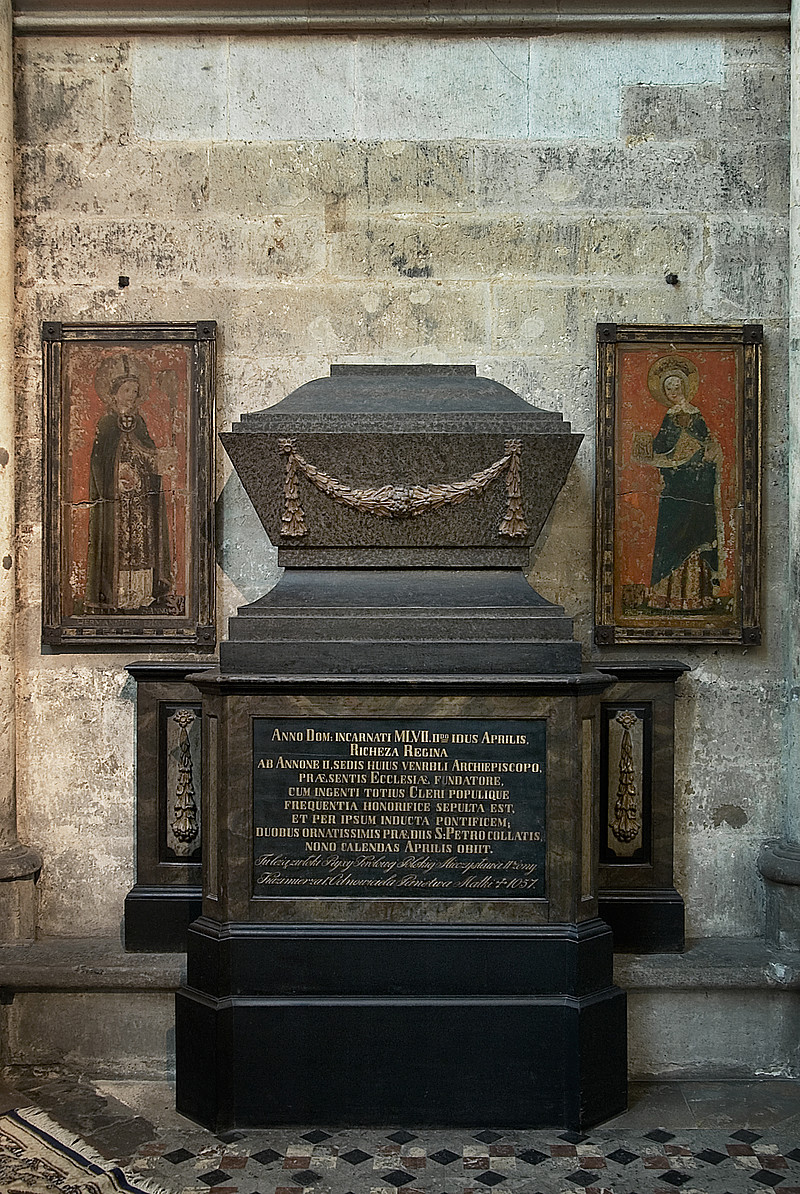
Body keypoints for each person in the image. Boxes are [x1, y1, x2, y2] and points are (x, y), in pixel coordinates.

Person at [635, 357, 723, 611]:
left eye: (676, 388)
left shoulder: (697, 416)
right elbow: (661, 448)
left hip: (696, 486)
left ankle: (696, 597)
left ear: (684, 388)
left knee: (694, 535)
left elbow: (709, 446)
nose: (673, 393)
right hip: (674, 487)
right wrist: (646, 447)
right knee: (671, 537)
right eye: (668, 389)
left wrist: (704, 453)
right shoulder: (669, 416)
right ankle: (668, 595)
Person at [85, 357, 172, 612]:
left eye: (135, 392)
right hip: (117, 501)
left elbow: (148, 455)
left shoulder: (140, 423)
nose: (131, 396)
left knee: (141, 546)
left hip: (141, 501)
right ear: (113, 394)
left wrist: (157, 462)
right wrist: (117, 478)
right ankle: (118, 597)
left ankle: (142, 595)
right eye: (127, 391)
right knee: (119, 547)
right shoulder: (107, 424)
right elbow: (99, 464)